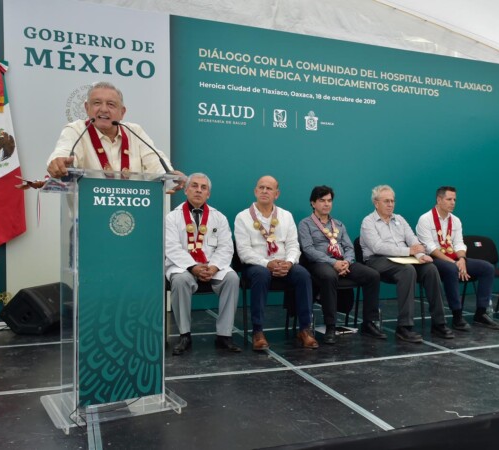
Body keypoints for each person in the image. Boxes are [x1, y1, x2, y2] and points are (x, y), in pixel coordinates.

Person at [47, 81, 184, 192]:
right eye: (97, 103)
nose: (104, 109)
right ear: (87, 108)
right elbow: (63, 152)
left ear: (122, 112)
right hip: (88, 220)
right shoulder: (76, 130)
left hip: (133, 216)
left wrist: (169, 176)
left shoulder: (134, 131)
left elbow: (154, 161)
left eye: (111, 104)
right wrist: (59, 162)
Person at [360, 185, 454, 343]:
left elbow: (413, 240)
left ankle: (439, 322)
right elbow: (378, 247)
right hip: (377, 260)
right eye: (386, 201)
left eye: (392, 201)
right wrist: (408, 251)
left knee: (430, 268)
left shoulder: (400, 219)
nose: (390, 204)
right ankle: (404, 327)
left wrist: (420, 254)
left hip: (404, 258)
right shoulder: (368, 222)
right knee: (408, 271)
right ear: (376, 203)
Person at [234, 176, 319, 351]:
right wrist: (267, 264)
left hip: (283, 263)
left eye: (269, 188)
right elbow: (243, 252)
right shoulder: (242, 217)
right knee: (261, 274)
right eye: (261, 188)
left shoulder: (286, 216)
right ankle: (258, 331)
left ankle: (305, 329)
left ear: (277, 194)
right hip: (256, 266)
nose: (265, 191)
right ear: (255, 191)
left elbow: (293, 245)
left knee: (303, 274)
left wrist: (288, 263)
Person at [298, 186, 386, 344]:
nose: (326, 204)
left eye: (329, 200)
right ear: (313, 203)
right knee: (329, 275)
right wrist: (334, 263)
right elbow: (309, 250)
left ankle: (369, 323)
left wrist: (347, 262)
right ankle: (330, 326)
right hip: (320, 263)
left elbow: (348, 247)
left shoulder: (338, 224)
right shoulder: (305, 224)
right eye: (322, 200)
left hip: (343, 262)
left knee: (372, 275)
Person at [164, 173, 241, 355]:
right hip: (184, 267)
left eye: (203, 187)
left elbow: (226, 247)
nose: (199, 190)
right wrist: (193, 267)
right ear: (186, 189)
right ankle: (184, 334)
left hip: (211, 266)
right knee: (180, 280)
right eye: (194, 186)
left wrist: (213, 267)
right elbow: (171, 247)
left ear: (208, 194)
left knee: (231, 278)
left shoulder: (219, 217)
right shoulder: (172, 217)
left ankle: (224, 335)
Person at [416, 186, 499, 331]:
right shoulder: (425, 219)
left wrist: (462, 259)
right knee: (451, 269)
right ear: (439, 200)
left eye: (454, 199)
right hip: (434, 260)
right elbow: (430, 248)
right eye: (449, 199)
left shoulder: (455, 220)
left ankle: (481, 313)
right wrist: (454, 262)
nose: (453, 203)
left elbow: (459, 243)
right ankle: (457, 316)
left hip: (456, 259)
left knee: (487, 268)